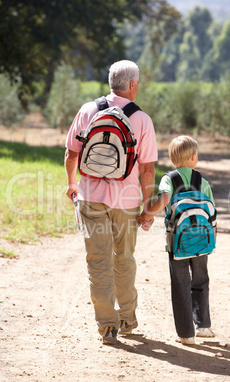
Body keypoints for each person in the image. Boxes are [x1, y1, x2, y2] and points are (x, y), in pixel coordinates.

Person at [65, 60, 158, 344]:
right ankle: (127, 319)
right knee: (124, 258)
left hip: (91, 197)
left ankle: (107, 326)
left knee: (98, 262)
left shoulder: (87, 110)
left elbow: (71, 154)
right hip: (126, 201)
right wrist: (147, 206)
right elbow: (147, 169)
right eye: (138, 83)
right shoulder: (142, 119)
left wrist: (72, 185)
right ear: (132, 85)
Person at [138, 135, 215, 345]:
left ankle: (186, 333)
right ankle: (203, 326)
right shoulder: (203, 181)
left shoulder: (168, 179)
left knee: (180, 283)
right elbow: (212, 211)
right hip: (201, 240)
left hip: (177, 242)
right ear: (193, 157)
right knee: (201, 279)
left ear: (173, 159)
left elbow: (164, 200)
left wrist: (147, 215)